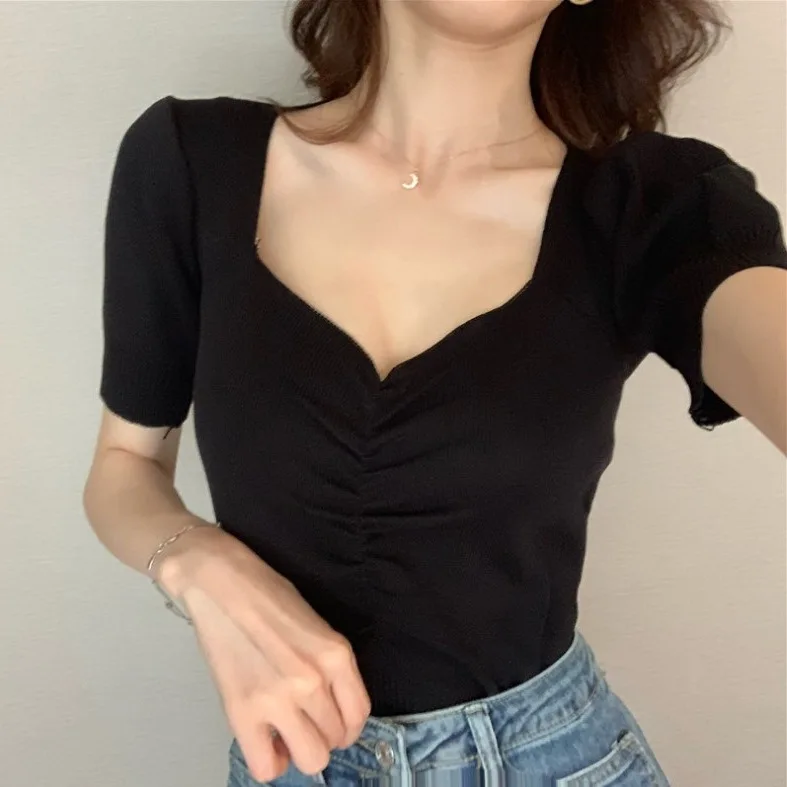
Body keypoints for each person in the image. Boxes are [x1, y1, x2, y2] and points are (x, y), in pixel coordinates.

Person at [83, 0, 787, 784]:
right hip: (291, 761)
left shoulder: (650, 206)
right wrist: (199, 563)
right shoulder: (192, 161)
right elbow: (124, 463)